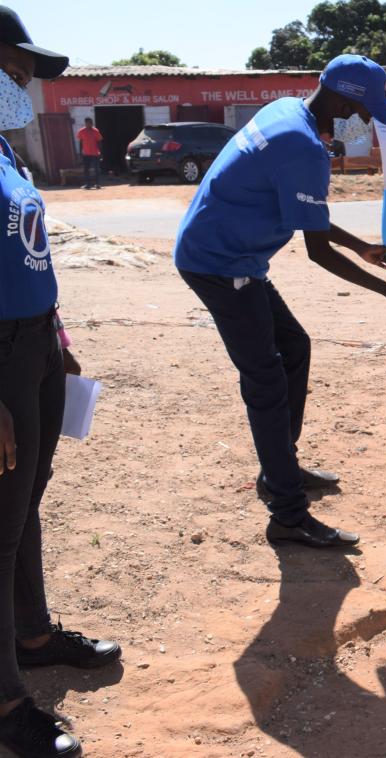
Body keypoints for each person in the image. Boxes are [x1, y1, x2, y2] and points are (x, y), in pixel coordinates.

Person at [174, 54, 386, 549]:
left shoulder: (288, 112)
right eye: (363, 111)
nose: (365, 121)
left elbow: (305, 214)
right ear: (341, 100)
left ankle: (281, 471)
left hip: (233, 257)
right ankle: (288, 514)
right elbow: (316, 251)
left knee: (294, 346)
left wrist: (359, 244)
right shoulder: (302, 146)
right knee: (266, 380)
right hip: (220, 264)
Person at [0, 9, 122, 757]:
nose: (23, 84)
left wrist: (58, 337)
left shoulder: (6, 152)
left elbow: (23, 253)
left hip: (34, 345)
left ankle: (34, 635)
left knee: (23, 505)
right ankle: (7, 700)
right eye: (14, 67)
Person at [75, 116, 101, 190]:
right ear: (86, 123)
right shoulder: (81, 131)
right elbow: (80, 142)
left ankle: (97, 184)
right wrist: (80, 152)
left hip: (95, 153)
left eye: (91, 122)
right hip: (86, 153)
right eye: (89, 123)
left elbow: (99, 142)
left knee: (97, 169)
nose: (91, 124)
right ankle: (88, 184)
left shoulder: (96, 131)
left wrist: (101, 153)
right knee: (86, 169)